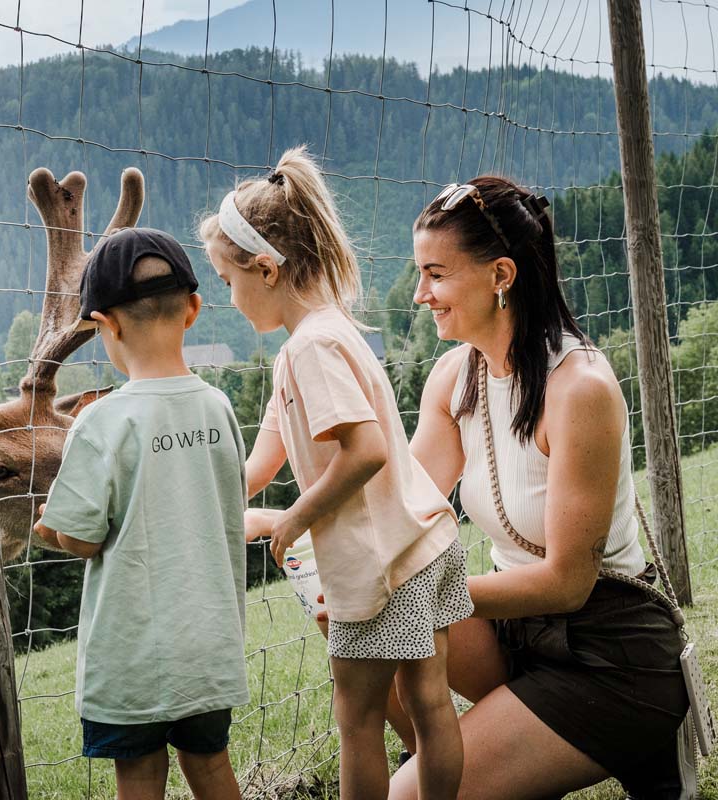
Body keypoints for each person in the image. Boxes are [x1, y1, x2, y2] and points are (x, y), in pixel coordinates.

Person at [395, 176, 690, 799]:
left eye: (436, 274)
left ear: (501, 275)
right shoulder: (453, 378)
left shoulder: (579, 387)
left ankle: (592, 745)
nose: (421, 293)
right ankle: (495, 763)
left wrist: (428, 593)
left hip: (607, 653)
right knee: (373, 616)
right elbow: (405, 512)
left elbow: (566, 582)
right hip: (519, 638)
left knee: (411, 793)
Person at [199, 145, 472, 800]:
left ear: (264, 269)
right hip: (425, 543)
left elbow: (368, 449)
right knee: (430, 704)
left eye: (228, 283)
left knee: (356, 719)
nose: (229, 300)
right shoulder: (330, 331)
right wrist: (207, 505)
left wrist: (296, 518)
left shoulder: (310, 348)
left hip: (379, 567)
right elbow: (264, 455)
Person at [33, 227, 249, 800]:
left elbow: (78, 537)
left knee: (139, 782)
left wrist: (45, 528)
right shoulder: (218, 406)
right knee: (212, 768)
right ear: (194, 310)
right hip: (207, 644)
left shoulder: (102, 421)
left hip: (133, 659)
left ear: (105, 325)